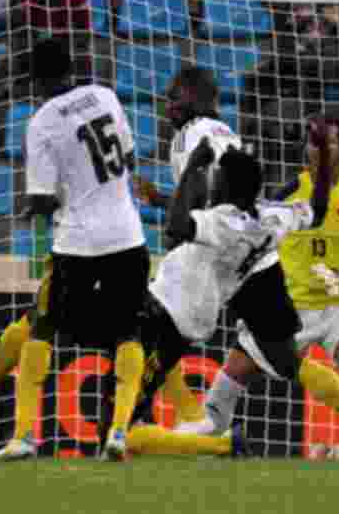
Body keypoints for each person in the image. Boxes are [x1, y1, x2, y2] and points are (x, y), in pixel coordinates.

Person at [0, 37, 158, 461]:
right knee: (128, 332)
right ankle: (119, 431)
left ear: (33, 79)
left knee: (43, 326)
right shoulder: (105, 95)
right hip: (128, 237)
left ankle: (24, 435)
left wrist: (21, 210)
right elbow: (130, 161)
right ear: (71, 65)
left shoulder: (43, 121)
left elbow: (45, 199)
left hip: (79, 245)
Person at [109, 125, 339, 461]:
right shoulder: (273, 214)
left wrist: (194, 165)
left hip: (181, 313)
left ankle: (207, 442)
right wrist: (323, 170)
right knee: (288, 362)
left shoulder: (220, 223)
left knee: (126, 405)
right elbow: (318, 210)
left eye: (218, 176)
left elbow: (178, 227)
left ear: (223, 186)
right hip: (260, 282)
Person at [132, 65, 244, 425]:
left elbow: (199, 197)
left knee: (142, 347)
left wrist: (176, 223)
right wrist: (164, 200)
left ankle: (206, 438)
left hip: (196, 263)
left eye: (175, 96)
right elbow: (214, 199)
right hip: (214, 259)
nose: (169, 105)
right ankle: (152, 420)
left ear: (198, 96)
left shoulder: (192, 133)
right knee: (146, 347)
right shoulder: (225, 133)